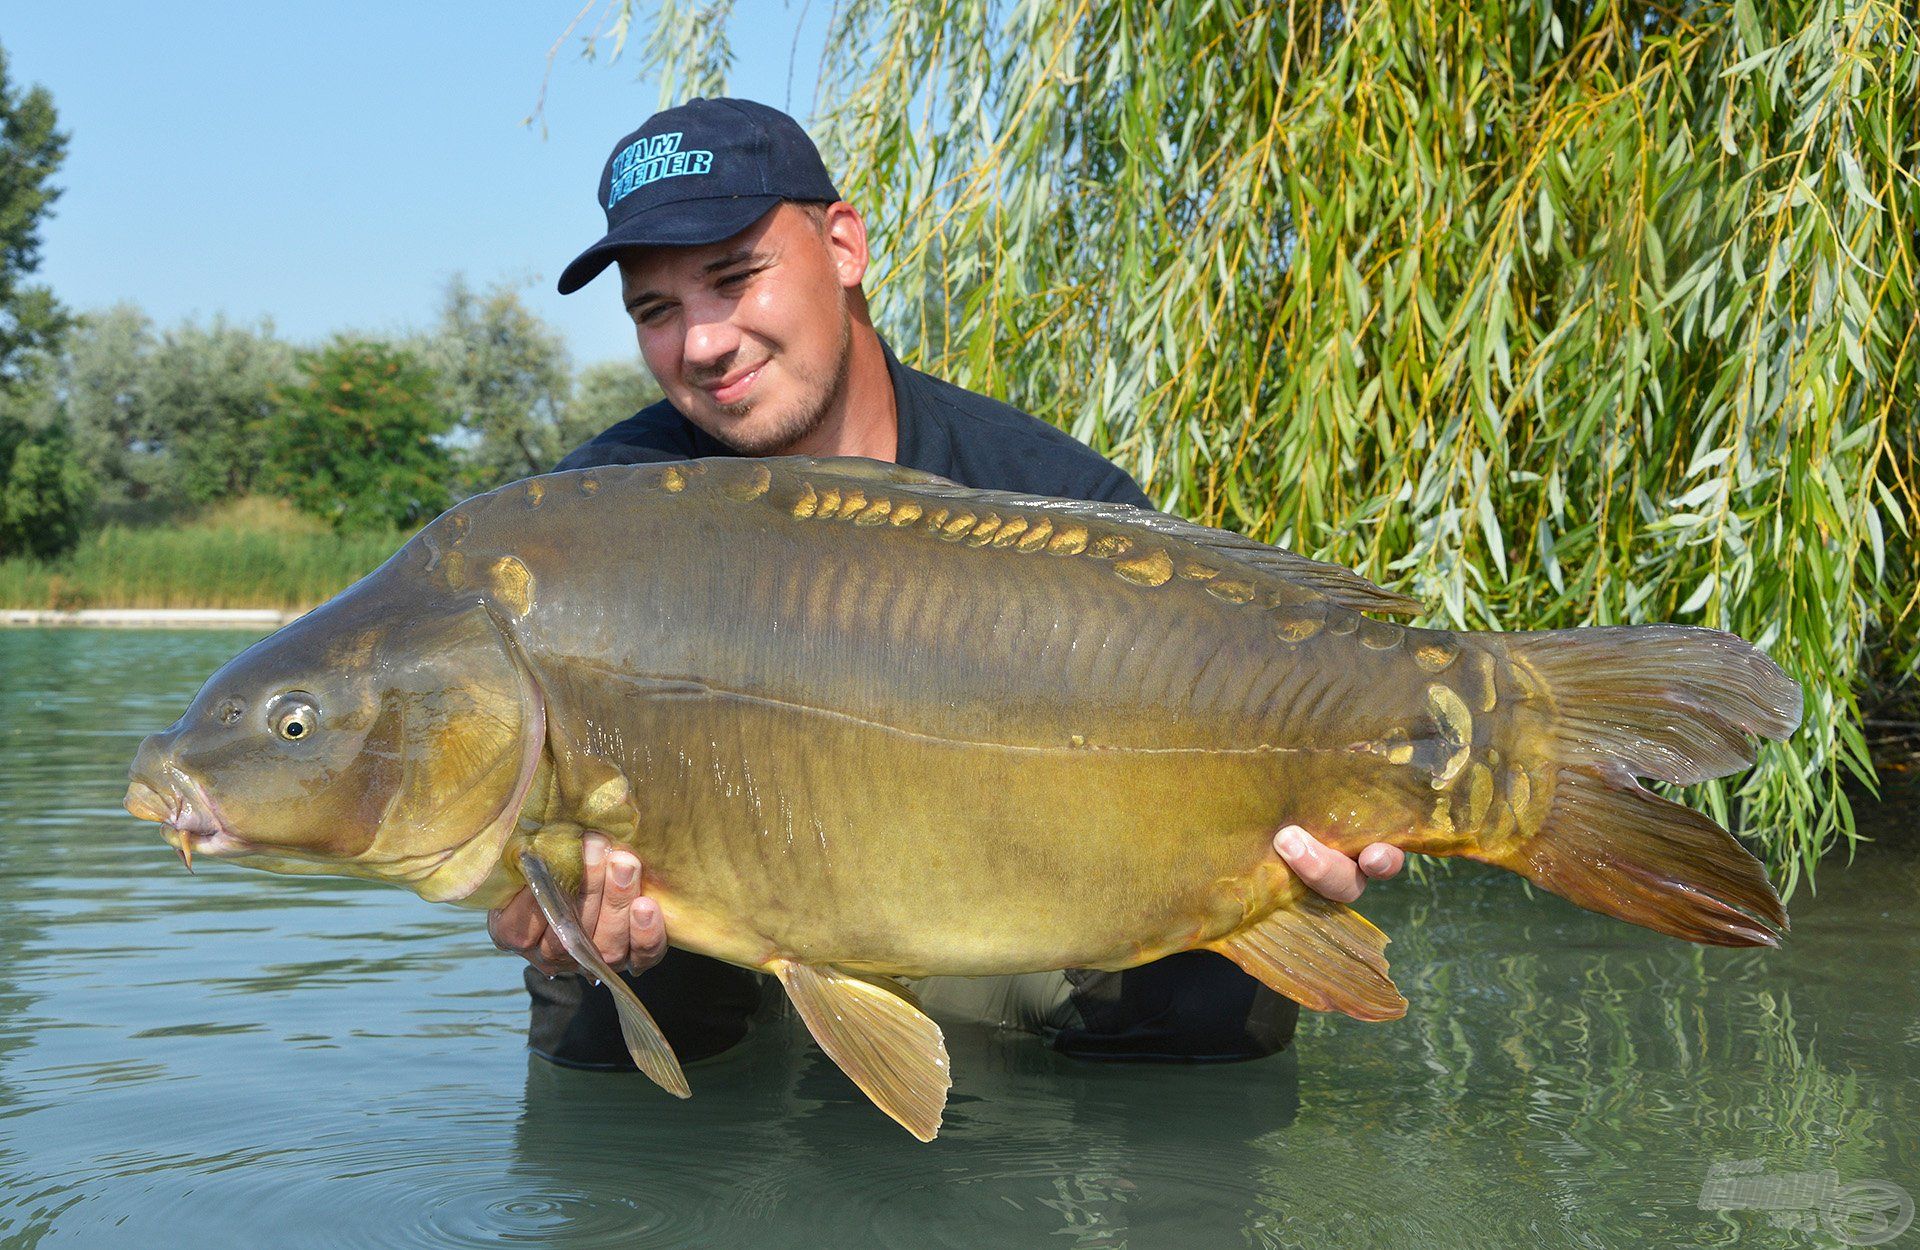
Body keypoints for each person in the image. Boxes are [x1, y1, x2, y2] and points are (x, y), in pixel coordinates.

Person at [486, 97, 1404, 1069]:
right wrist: (554, 900)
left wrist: (1318, 804)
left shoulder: (1047, 495)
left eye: (735, 277)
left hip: (986, 885)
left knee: (1214, 997)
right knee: (602, 1033)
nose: (702, 341)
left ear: (843, 246)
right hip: (703, 916)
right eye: (655, 310)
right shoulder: (599, 517)